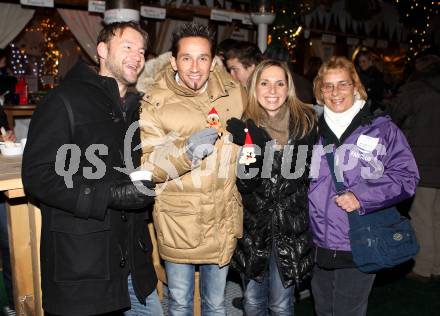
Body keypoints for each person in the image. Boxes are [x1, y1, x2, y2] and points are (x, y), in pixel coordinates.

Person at [22, 21, 162, 315]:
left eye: (141, 51)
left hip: (134, 265)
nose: (137, 56)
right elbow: (38, 176)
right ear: (101, 50)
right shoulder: (63, 100)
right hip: (84, 266)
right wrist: (109, 194)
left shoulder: (137, 108)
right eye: (127, 47)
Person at [139, 22, 246, 315]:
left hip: (222, 217)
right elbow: (148, 165)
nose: (195, 67)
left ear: (213, 63)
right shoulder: (155, 102)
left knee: (215, 304)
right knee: (180, 303)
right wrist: (186, 153)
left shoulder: (233, 94)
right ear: (173, 60)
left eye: (202, 58)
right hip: (180, 221)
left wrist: (253, 148)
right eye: (186, 57)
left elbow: (250, 137)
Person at [308, 56, 419, 316]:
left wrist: (361, 196)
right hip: (316, 243)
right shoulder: (310, 129)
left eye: (343, 84)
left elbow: (407, 176)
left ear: (356, 87)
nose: (335, 92)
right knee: (324, 310)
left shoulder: (381, 129)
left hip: (358, 240)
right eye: (328, 86)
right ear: (320, 91)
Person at [226, 59, 317, 315]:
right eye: (264, 83)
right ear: (255, 88)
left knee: (280, 304)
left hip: (290, 227)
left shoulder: (305, 124)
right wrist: (251, 146)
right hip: (255, 228)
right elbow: (245, 183)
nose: (272, 91)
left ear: (288, 87)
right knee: (253, 301)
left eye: (279, 83)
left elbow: (304, 175)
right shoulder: (247, 124)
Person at [389, 53, 440, 283]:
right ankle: (437, 265)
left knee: (421, 214)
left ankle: (423, 267)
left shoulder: (416, 90)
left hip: (423, 161)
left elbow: (393, 115)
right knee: (437, 216)